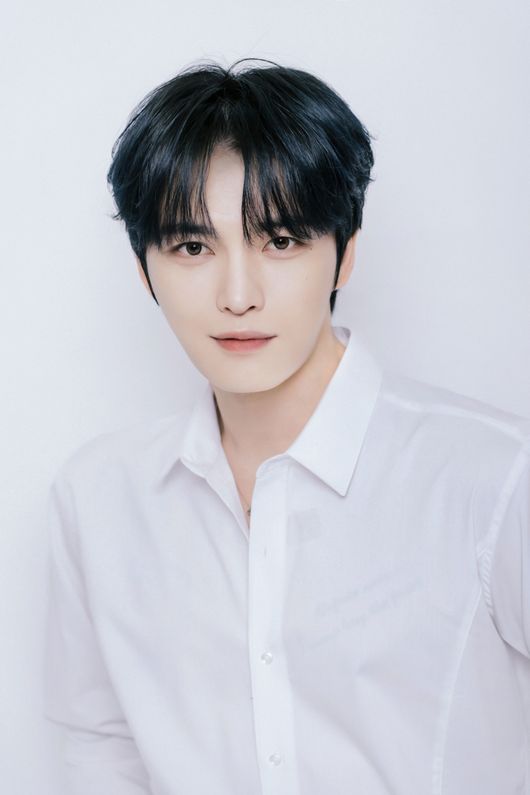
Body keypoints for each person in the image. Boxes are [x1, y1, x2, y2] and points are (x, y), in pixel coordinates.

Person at [43, 58, 530, 795]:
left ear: (346, 251)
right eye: (193, 247)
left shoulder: (494, 479)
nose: (238, 295)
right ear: (144, 271)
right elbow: (101, 750)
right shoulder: (97, 498)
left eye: (279, 241)